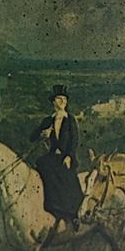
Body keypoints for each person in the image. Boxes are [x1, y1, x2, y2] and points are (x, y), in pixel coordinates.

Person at [30, 85, 83, 233]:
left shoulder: (70, 119)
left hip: (66, 157)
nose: (62, 102)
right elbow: (32, 137)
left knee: (68, 178)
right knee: (42, 164)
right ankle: (50, 207)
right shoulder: (49, 120)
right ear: (53, 102)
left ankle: (73, 214)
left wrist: (69, 156)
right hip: (53, 155)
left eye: (64, 99)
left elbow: (74, 140)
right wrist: (43, 133)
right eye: (59, 99)